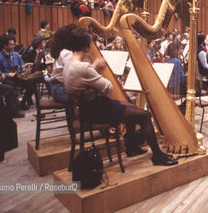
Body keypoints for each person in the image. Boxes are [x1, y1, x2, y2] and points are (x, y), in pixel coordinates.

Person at [63, 28, 177, 165]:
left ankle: (132, 147)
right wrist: (105, 72)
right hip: (96, 111)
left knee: (130, 107)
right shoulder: (83, 67)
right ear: (86, 47)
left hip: (86, 109)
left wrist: (93, 70)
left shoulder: (69, 63)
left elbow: (83, 77)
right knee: (145, 115)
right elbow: (108, 87)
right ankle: (157, 155)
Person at [0, 35, 37, 116]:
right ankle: (14, 110)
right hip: (7, 80)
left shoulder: (16, 54)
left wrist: (27, 72)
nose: (14, 46)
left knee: (32, 84)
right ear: (5, 46)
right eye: (12, 45)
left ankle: (23, 103)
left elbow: (23, 65)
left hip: (18, 77)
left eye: (14, 44)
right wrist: (7, 74)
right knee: (10, 87)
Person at [49, 24, 76, 104]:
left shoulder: (62, 51)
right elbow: (73, 72)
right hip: (62, 90)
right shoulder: (66, 53)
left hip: (57, 89)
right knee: (88, 99)